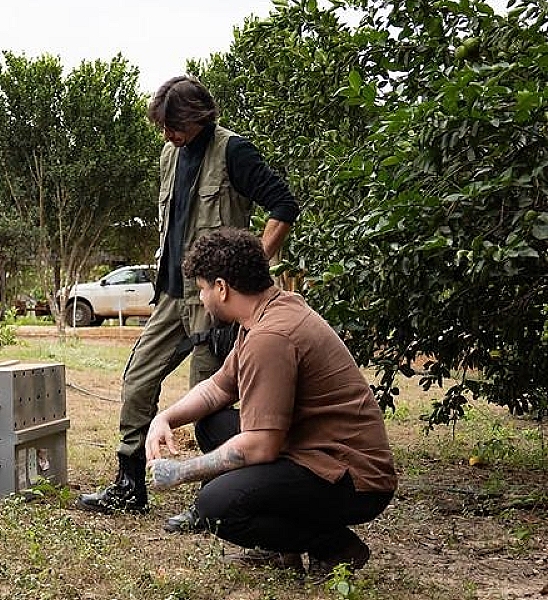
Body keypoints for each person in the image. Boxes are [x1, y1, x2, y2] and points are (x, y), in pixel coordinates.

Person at [77, 76, 300, 514]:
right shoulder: (169, 154)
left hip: (214, 303)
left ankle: (213, 502)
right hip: (172, 294)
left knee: (208, 400)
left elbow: (284, 206)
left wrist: (249, 267)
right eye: (162, 127)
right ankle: (128, 484)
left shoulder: (233, 151)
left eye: (172, 125)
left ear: (197, 117)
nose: (166, 135)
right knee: (137, 380)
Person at [145, 228, 397, 578]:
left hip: (354, 478)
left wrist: (181, 471)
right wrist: (166, 418)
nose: (202, 299)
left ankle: (335, 546)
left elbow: (261, 447)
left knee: (215, 507)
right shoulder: (265, 314)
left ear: (222, 287)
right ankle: (280, 550)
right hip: (314, 450)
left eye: (202, 288)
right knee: (212, 422)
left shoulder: (271, 337)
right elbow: (219, 388)